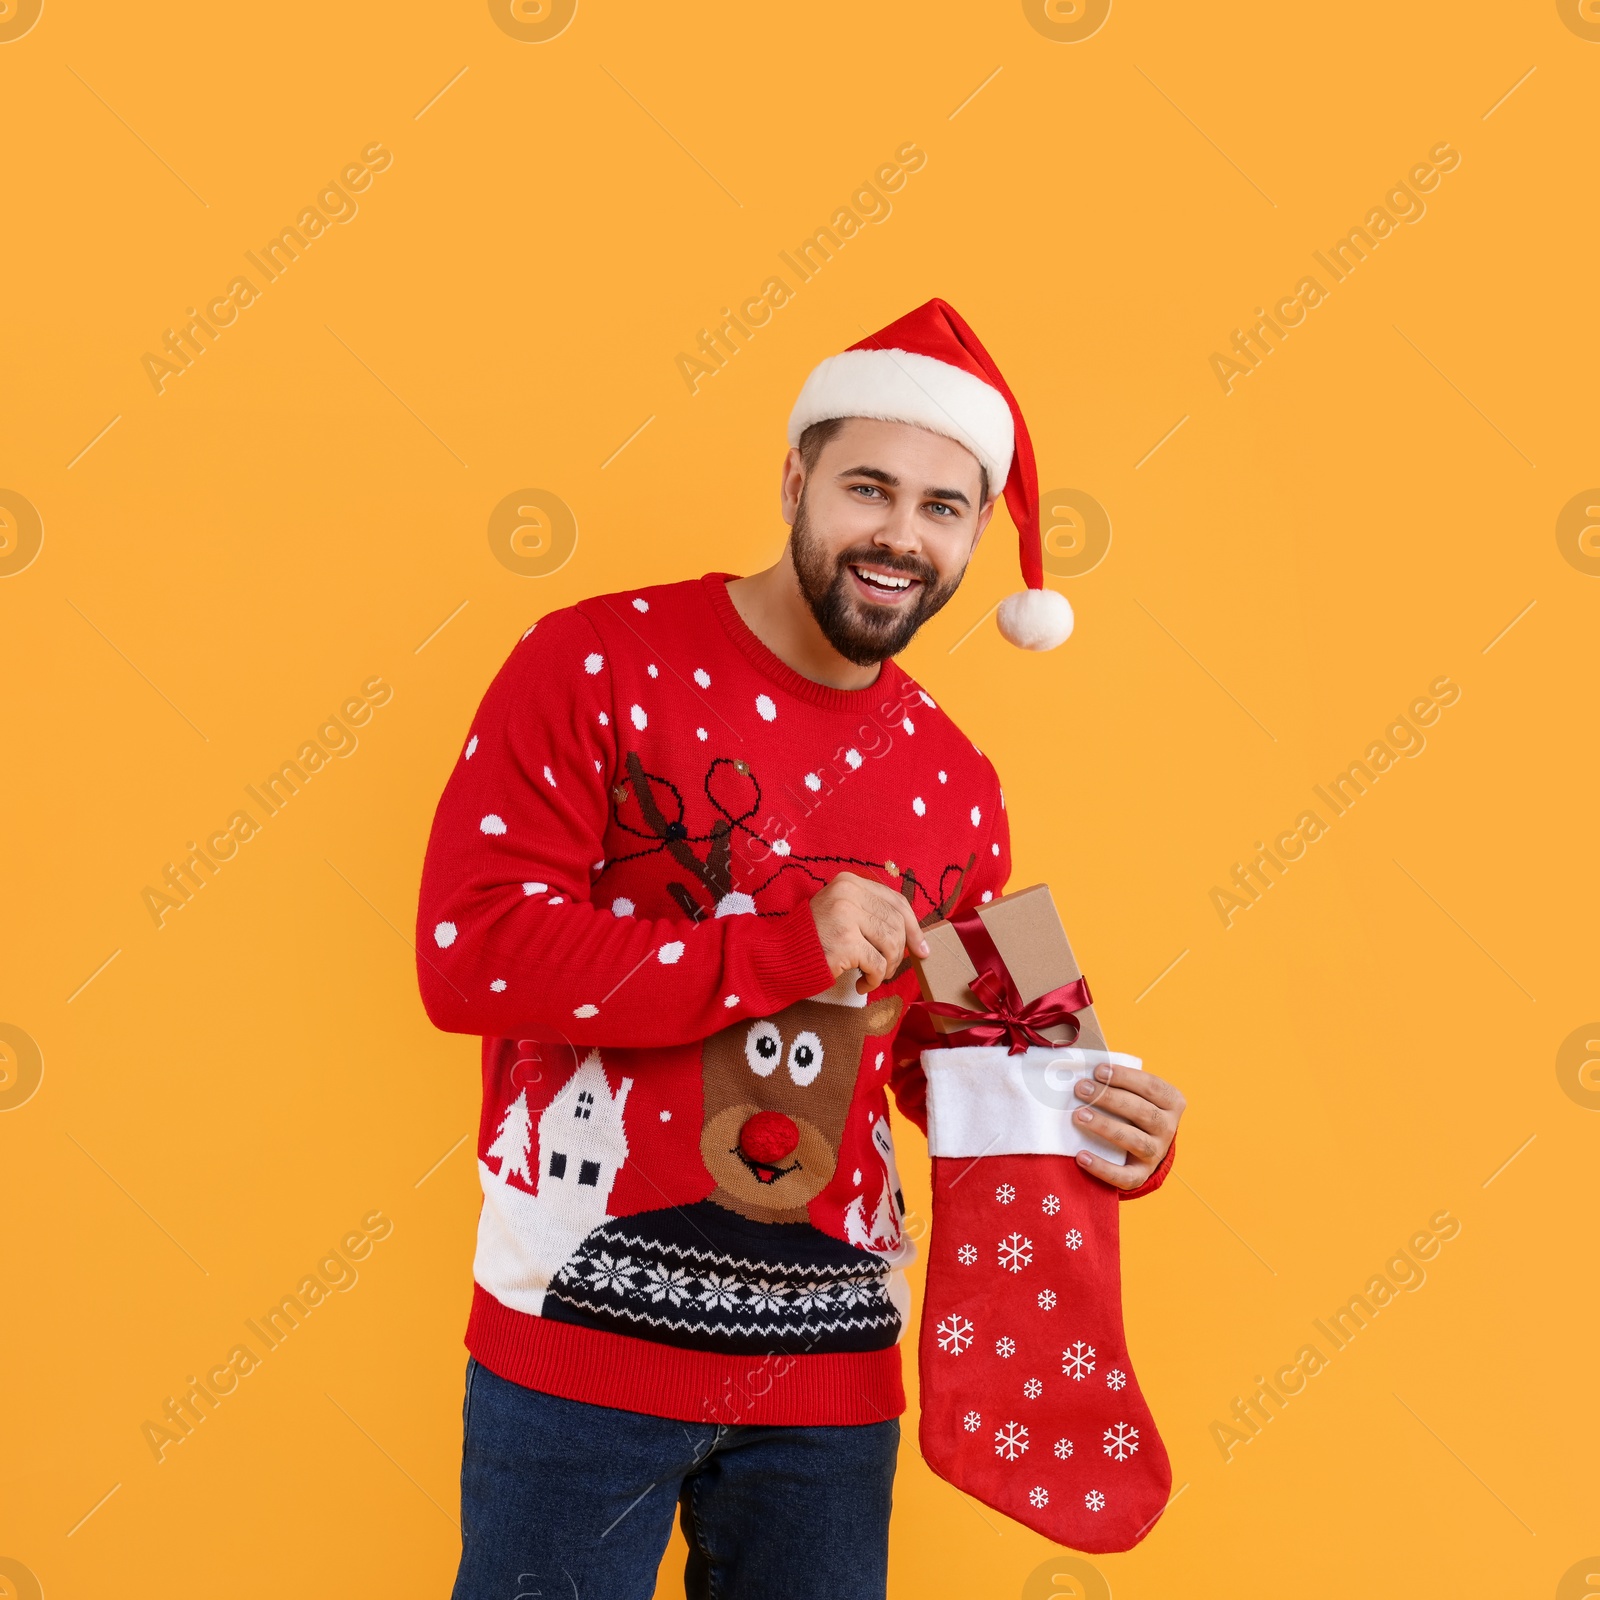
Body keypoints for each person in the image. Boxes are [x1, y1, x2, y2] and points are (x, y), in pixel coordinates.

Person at [415, 299, 1185, 1600]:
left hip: (831, 1377)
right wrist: (777, 949)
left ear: (975, 537)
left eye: (945, 508)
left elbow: (949, 1058)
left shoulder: (959, 781)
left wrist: (1092, 1118)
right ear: (795, 480)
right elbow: (474, 956)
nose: (900, 535)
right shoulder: (594, 662)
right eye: (869, 489)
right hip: (579, 1347)